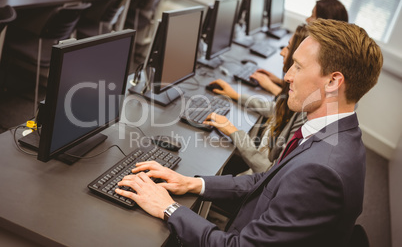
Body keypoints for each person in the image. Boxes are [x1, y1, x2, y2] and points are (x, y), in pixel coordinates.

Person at [115, 19, 383, 246]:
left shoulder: (321, 170)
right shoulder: (335, 133)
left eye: (298, 67)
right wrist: (192, 183)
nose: (287, 75)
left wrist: (169, 208)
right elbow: (265, 182)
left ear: (334, 81)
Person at [205, 24, 308, 175]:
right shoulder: (299, 102)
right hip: (254, 169)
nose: (281, 53)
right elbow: (278, 109)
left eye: (287, 47)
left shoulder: (305, 114)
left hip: (254, 180)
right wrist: (237, 96)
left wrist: (234, 131)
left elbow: (269, 172)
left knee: (211, 158)